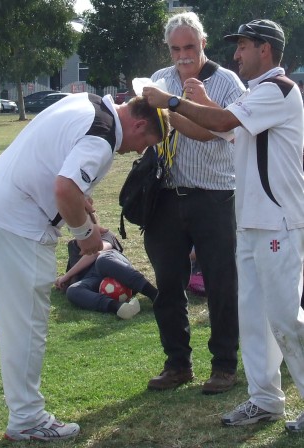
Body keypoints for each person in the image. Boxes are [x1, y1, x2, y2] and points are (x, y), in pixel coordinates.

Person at [143, 19, 304, 432]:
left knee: (287, 319)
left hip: (278, 225)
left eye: (244, 46)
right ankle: (265, 400)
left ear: (265, 50)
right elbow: (213, 129)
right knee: (252, 319)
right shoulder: (254, 96)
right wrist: (173, 109)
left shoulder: (280, 90)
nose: (236, 55)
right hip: (250, 224)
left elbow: (220, 124)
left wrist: (174, 101)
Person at [0, 92, 170, 441]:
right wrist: (86, 236)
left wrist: (79, 201)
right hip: (19, 225)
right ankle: (27, 417)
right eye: (146, 141)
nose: (139, 150)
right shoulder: (102, 138)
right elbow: (65, 187)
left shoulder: (85, 102)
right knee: (26, 325)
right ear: (140, 123)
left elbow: (57, 165)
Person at [143, 11, 245, 394]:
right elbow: (149, 129)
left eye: (189, 46)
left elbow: (217, 131)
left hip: (215, 194)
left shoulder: (227, 82)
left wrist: (170, 108)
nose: (183, 55)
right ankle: (177, 364)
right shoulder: (159, 79)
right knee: (168, 285)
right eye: (175, 48)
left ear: (203, 42)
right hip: (166, 195)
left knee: (222, 283)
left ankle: (224, 365)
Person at [55, 228, 157, 318]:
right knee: (72, 290)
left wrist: (67, 276)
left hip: (115, 269)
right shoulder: (72, 246)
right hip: (94, 279)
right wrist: (63, 282)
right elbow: (74, 278)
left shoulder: (105, 235)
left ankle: (155, 295)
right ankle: (118, 307)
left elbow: (96, 253)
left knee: (102, 260)